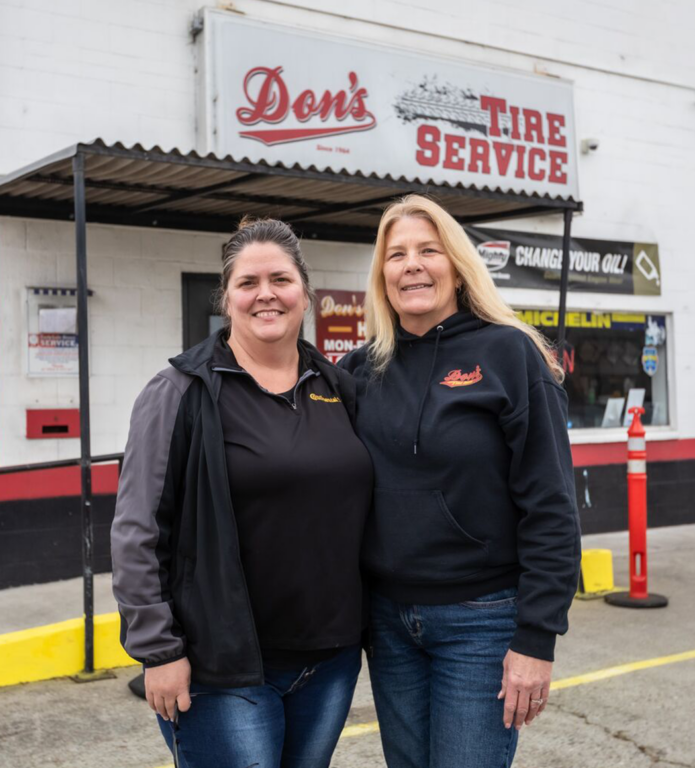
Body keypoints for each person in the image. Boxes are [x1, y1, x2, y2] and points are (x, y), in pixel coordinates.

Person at [110, 218, 373, 768]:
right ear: (226, 299)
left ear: (305, 292)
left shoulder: (337, 384)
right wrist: (158, 650)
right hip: (221, 668)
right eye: (248, 283)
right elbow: (138, 532)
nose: (266, 294)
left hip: (330, 659)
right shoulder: (180, 390)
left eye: (280, 279)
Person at [339, 195, 581, 768]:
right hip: (389, 621)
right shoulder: (360, 369)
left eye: (429, 250)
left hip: (482, 619)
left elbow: (551, 505)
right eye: (395, 254)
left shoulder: (509, 354)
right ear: (382, 274)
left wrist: (536, 639)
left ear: (457, 264)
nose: (412, 265)